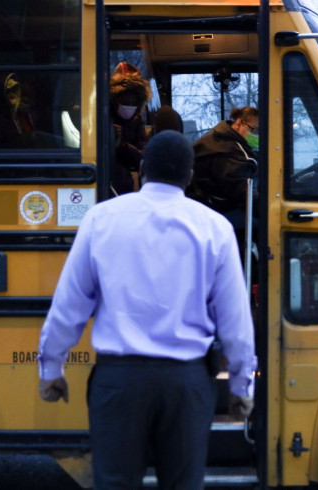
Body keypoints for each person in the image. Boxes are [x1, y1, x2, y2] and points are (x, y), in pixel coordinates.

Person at [37, 130, 256, 489]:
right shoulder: (215, 228)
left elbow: (70, 304)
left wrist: (51, 367)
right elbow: (234, 318)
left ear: (142, 169)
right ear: (189, 176)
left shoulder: (101, 219)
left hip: (118, 383)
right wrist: (240, 384)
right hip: (186, 385)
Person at [188, 106, 259, 236]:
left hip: (201, 205)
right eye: (254, 131)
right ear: (239, 123)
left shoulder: (218, 135)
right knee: (263, 222)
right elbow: (244, 195)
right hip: (216, 210)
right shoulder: (231, 152)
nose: (257, 136)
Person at [109, 61, 151, 195]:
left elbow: (142, 158)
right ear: (114, 99)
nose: (129, 105)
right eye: (125, 101)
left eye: (133, 102)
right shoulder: (103, 116)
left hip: (125, 181)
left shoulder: (137, 120)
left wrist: (122, 145)